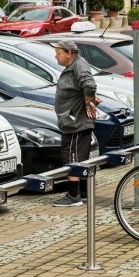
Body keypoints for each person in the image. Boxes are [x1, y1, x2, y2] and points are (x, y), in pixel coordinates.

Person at [50, 40, 101, 207]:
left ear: (69, 53)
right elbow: (85, 87)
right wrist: (89, 98)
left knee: (71, 157)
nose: (55, 56)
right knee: (81, 158)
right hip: (74, 120)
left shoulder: (78, 66)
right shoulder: (76, 65)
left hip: (75, 122)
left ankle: (73, 196)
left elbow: (89, 84)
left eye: (58, 53)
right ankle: (84, 192)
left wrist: (88, 102)